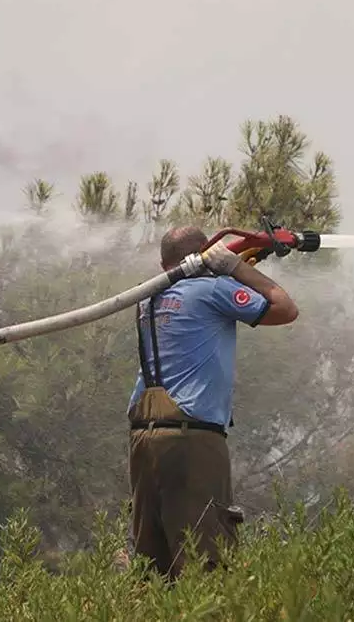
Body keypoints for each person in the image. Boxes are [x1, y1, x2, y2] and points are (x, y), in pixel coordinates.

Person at [126, 226, 299, 580]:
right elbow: (285, 309)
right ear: (207, 253)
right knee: (207, 562)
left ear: (164, 264)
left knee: (153, 568)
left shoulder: (148, 300)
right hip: (193, 439)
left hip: (144, 438)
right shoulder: (213, 289)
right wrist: (238, 268)